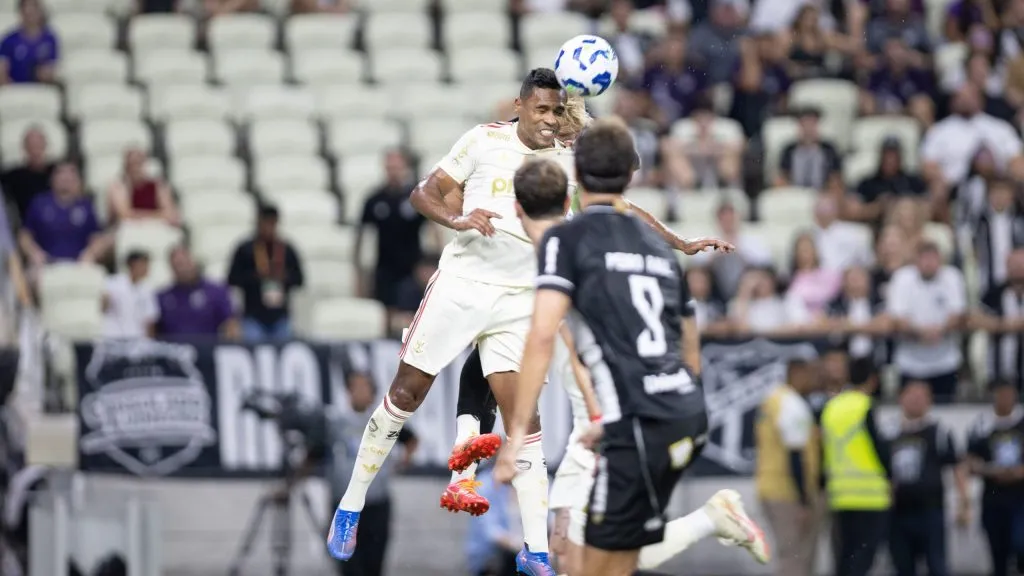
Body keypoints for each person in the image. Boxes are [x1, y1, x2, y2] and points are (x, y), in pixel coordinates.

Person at [493, 118, 768, 576]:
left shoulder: (566, 241)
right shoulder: (658, 248)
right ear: (631, 175)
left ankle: (711, 517)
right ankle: (711, 518)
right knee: (602, 561)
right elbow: (689, 339)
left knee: (584, 568)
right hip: (680, 411)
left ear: (576, 178)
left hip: (638, 424)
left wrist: (515, 439)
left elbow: (543, 336)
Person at [328, 69, 571, 575]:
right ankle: (351, 504)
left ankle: (537, 552)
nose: (549, 119)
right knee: (405, 395)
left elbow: (619, 178)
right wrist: (459, 220)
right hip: (462, 284)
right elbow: (424, 193)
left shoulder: (566, 157)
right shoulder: (484, 140)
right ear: (522, 106)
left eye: (557, 110)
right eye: (542, 109)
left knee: (525, 423)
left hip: (519, 299)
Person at [325, 367, 417, 576]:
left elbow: (411, 439)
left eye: (364, 387)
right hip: (344, 505)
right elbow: (315, 450)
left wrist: (400, 464)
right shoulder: (336, 422)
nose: (359, 392)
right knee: (347, 565)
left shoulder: (383, 420)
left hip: (376, 503)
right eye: (355, 387)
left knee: (374, 562)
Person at [884, 380, 969, 576]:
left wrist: (964, 503)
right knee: (902, 566)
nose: (916, 401)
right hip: (898, 512)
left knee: (937, 565)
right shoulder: (888, 433)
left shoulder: (939, 432)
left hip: (930, 510)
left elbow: (956, 467)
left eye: (921, 397)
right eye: (911, 395)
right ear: (901, 398)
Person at [820, 358, 891, 576]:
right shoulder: (866, 406)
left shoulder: (831, 407)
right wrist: (891, 476)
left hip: (840, 494)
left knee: (845, 555)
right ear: (873, 379)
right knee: (863, 558)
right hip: (870, 495)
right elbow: (880, 448)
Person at [755, 357, 821, 576]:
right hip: (787, 492)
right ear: (797, 373)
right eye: (811, 375)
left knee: (790, 555)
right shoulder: (791, 404)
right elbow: (795, 453)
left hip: (769, 486)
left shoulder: (772, 399)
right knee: (795, 559)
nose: (814, 381)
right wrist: (803, 500)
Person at [964, 379, 1024, 576]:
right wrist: (992, 471)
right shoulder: (982, 425)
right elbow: (970, 462)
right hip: (993, 495)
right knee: (998, 551)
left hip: (1020, 496)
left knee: (1020, 542)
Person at [226, 205, 305, 341]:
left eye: (272, 223)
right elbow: (232, 279)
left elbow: (299, 279)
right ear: (258, 222)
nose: (269, 227)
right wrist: (256, 278)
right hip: (253, 315)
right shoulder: (246, 249)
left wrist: (284, 278)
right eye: (265, 223)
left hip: (280, 316)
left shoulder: (286, 249)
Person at [102, 250, 158, 339]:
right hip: (114, 339)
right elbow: (103, 308)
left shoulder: (148, 290)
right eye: (143, 264)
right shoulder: (113, 283)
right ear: (133, 264)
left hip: (137, 342)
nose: (146, 268)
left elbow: (150, 320)